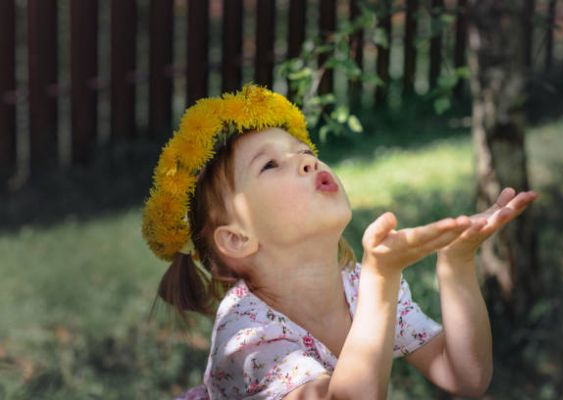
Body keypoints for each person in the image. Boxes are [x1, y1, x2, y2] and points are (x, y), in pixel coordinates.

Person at [142, 84, 537, 399]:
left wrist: (457, 262)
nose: (308, 160)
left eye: (305, 151)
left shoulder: (358, 286)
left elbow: (465, 377)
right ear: (237, 238)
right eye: (270, 164)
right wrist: (382, 281)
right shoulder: (247, 334)